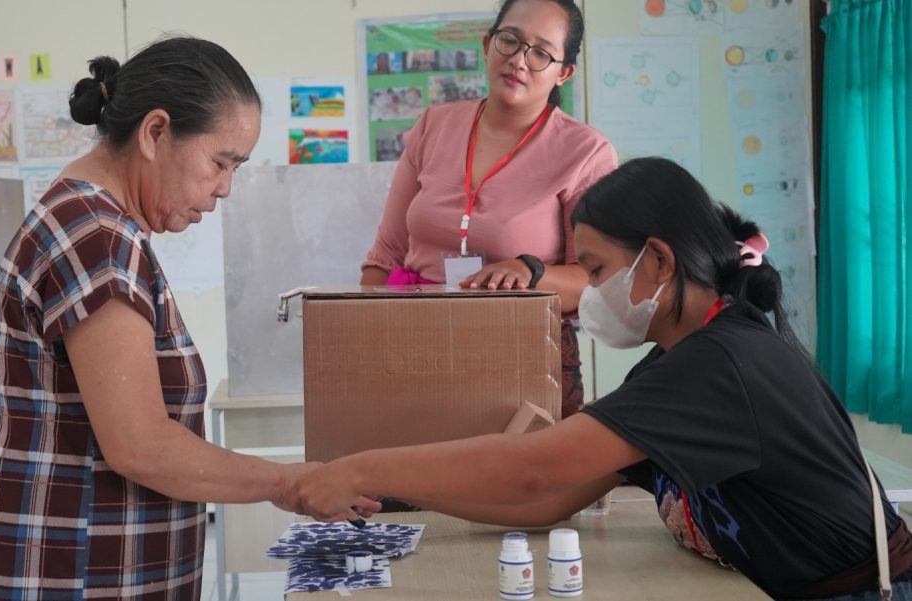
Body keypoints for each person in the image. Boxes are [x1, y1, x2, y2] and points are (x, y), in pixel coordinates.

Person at [298, 158, 912, 599]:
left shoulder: (721, 364)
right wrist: (394, 499)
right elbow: (550, 498)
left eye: (595, 271)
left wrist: (360, 467)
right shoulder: (676, 364)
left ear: (659, 259)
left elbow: (534, 466)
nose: (588, 293)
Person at [0, 37, 363, 600]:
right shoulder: (97, 237)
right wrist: (290, 482)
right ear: (155, 132)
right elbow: (140, 444)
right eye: (220, 163)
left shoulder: (91, 222)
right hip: (72, 576)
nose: (224, 188)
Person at [360, 0, 618, 418]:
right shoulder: (433, 126)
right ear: (486, 45)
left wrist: (529, 270)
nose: (519, 60)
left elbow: (596, 280)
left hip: (525, 357)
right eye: (509, 40)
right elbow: (386, 254)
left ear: (563, 72)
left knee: (514, 481)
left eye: (540, 53)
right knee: (412, 481)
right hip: (418, 352)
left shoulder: (585, 152)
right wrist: (368, 345)